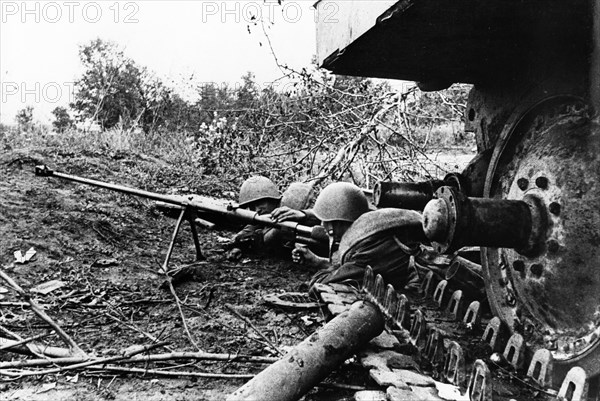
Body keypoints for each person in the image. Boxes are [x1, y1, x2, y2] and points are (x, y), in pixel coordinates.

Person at [292, 182, 425, 291]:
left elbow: (324, 283)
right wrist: (317, 261)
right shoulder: (371, 228)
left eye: (324, 220)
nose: (322, 224)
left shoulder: (366, 248)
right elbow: (348, 268)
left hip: (417, 291)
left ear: (335, 223)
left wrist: (319, 272)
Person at [230, 176, 320, 257]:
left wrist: (302, 215)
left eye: (260, 203)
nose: (257, 209)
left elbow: (321, 218)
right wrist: (238, 246)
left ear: (272, 199)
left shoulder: (290, 207)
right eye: (252, 206)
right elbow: (250, 228)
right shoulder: (265, 215)